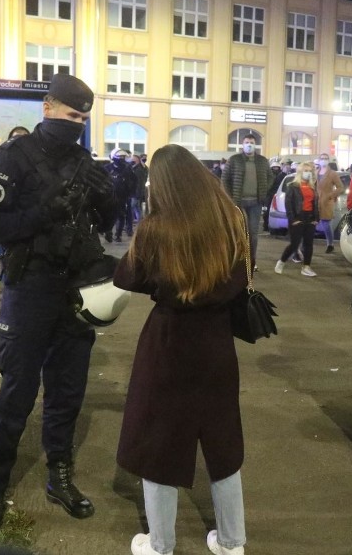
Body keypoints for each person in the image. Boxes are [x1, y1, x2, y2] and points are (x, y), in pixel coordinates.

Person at [0, 73, 118, 531]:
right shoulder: (12, 158)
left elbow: (102, 224)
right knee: (16, 394)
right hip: (29, 288)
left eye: (83, 118)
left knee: (68, 392)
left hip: (73, 292)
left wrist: (109, 197)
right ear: (48, 108)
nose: (75, 124)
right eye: (70, 114)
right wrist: (41, 214)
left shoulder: (82, 161)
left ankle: (59, 476)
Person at [114, 144, 248, 555]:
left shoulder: (158, 227)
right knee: (222, 441)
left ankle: (160, 544)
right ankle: (231, 541)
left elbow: (127, 278)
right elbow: (242, 276)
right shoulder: (232, 219)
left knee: (159, 441)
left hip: (169, 344)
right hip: (217, 343)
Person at [222, 134, 270, 270]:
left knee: (253, 234)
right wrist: (230, 198)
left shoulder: (262, 161)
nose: (249, 144)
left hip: (255, 203)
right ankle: (236, 261)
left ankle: (251, 261)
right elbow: (224, 180)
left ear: (256, 145)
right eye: (247, 142)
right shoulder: (234, 160)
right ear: (242, 144)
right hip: (238, 203)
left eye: (252, 142)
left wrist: (264, 190)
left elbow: (270, 177)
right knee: (237, 232)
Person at [274, 161, 319, 277]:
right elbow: (288, 204)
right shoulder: (292, 186)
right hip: (297, 217)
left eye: (310, 171)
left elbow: (315, 203)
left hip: (310, 217)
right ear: (300, 172)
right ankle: (281, 261)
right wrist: (293, 219)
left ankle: (306, 267)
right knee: (294, 244)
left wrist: (316, 218)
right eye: (305, 171)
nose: (308, 173)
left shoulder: (313, 186)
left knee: (309, 244)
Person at [105, 147, 138, 242]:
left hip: (123, 197)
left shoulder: (128, 169)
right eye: (120, 157)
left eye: (123, 157)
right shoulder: (108, 168)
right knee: (109, 215)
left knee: (121, 216)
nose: (122, 159)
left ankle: (118, 234)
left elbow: (135, 180)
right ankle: (108, 232)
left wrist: (131, 192)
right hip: (109, 197)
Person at [315, 153, 344, 254]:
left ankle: (330, 244)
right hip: (316, 201)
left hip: (327, 201)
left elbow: (340, 187)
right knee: (314, 222)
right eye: (322, 158)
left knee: (326, 223)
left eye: (326, 158)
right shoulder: (316, 172)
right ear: (319, 160)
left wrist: (331, 195)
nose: (323, 160)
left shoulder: (332, 173)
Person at [263, 160, 285, 231]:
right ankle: (266, 225)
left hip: (278, 195)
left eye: (277, 168)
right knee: (266, 211)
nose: (275, 169)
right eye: (274, 168)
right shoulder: (267, 176)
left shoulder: (282, 176)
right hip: (269, 195)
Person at [130, 152, 149, 225]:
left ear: (137, 160)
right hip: (138, 192)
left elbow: (138, 182)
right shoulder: (140, 168)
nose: (132, 160)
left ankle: (131, 222)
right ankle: (140, 222)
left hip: (136, 192)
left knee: (131, 207)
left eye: (133, 159)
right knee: (137, 208)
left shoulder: (139, 169)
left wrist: (136, 193)